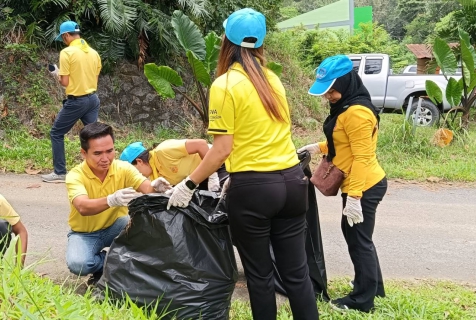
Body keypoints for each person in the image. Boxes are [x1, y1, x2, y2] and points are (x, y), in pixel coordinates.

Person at [166, 8, 319, 320]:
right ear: (260, 43)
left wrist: (189, 183)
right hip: (293, 182)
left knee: (260, 277)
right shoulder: (272, 79)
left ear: (226, 41)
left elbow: (222, 149)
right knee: (296, 275)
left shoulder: (225, 85)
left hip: (255, 189)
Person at [299, 54, 387, 313]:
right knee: (360, 238)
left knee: (358, 240)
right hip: (360, 183)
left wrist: (356, 197)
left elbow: (361, 157)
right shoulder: (346, 109)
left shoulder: (357, 113)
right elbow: (342, 143)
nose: (329, 97)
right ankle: (373, 286)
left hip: (365, 184)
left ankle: (362, 301)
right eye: (326, 93)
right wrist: (317, 147)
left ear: (347, 82)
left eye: (332, 91)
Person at [64, 122, 161, 285]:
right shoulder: (75, 176)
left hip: (117, 225)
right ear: (83, 153)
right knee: (78, 265)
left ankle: (129, 267)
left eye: (109, 151)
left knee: (149, 229)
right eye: (97, 153)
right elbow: (82, 206)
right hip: (85, 233)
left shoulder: (123, 168)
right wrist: (111, 200)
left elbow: (147, 188)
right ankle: (108, 265)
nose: (105, 158)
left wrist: (160, 187)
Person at [42, 20, 103, 183]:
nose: (63, 41)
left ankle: (60, 172)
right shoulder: (93, 53)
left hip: (77, 101)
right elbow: (94, 79)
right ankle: (100, 169)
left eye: (63, 38)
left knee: (56, 133)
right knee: (95, 136)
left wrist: (57, 74)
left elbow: (66, 82)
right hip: (93, 99)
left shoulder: (67, 53)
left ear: (67, 35)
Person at [119, 139, 222, 191]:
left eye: (133, 170)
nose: (134, 175)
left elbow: (201, 144)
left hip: (218, 164)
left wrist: (212, 173)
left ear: (139, 161)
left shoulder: (164, 151)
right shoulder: (153, 176)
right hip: (199, 179)